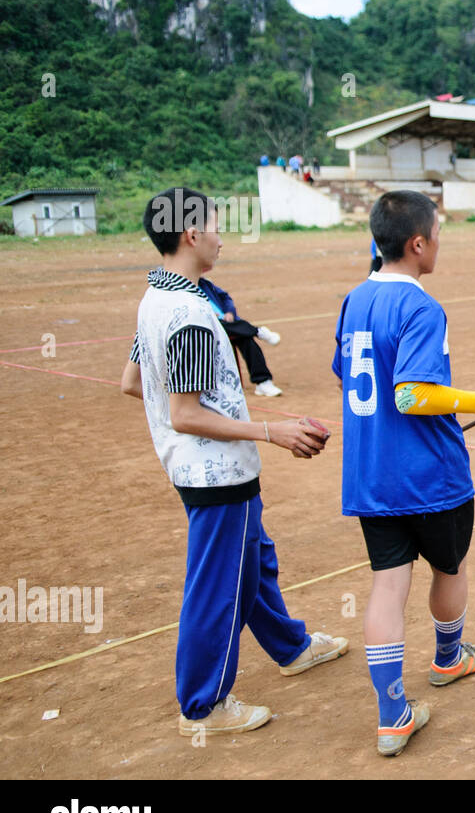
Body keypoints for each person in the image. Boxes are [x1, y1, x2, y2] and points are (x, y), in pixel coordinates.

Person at [120, 187, 345, 737]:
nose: (222, 238)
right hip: (216, 474)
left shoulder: (156, 298)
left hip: (200, 469)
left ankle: (291, 647)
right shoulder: (191, 313)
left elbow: (132, 383)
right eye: (216, 228)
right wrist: (271, 430)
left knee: (253, 563)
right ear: (191, 234)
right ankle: (203, 704)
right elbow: (186, 414)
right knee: (218, 586)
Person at [332, 190, 475, 757]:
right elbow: (411, 393)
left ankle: (392, 713)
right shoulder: (422, 307)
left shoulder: (354, 300)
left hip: (371, 476)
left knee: (387, 585)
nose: (441, 244)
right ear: (418, 243)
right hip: (429, 476)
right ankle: (449, 658)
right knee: (449, 567)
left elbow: (350, 378)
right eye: (438, 235)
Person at [198, 278, 284, 397]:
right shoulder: (179, 288)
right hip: (205, 328)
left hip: (228, 324)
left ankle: (263, 382)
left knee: (246, 338)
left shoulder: (203, 283)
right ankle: (258, 331)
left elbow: (225, 297)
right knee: (238, 330)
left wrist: (229, 312)